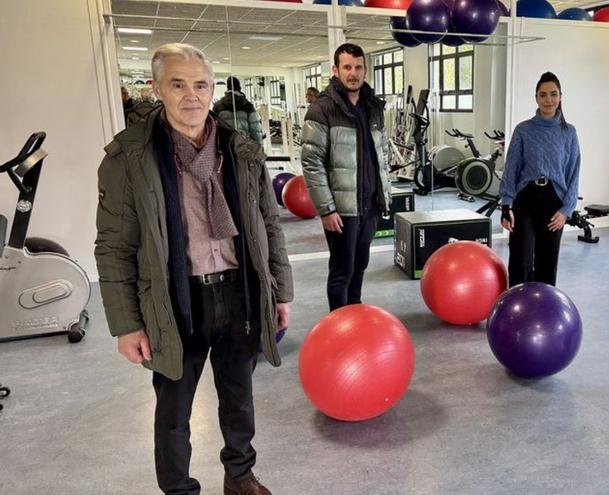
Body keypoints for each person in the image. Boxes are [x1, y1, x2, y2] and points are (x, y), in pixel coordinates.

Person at [95, 43, 293, 494]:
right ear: (157, 88)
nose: (192, 96)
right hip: (174, 300)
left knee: (239, 399)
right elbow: (113, 246)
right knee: (174, 412)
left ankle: (240, 476)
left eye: (201, 85)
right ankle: (180, 490)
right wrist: (127, 325)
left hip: (239, 292)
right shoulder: (130, 158)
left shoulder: (240, 150)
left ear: (212, 89)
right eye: (178, 84)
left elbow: (268, 224)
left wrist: (280, 291)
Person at [300, 43, 391, 311]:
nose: (353, 73)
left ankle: (355, 316)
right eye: (347, 67)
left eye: (358, 67)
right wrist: (326, 209)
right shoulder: (322, 109)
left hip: (370, 205)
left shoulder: (373, 107)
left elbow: (382, 153)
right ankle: (339, 324)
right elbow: (312, 162)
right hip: (342, 210)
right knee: (342, 271)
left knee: (360, 266)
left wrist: (385, 196)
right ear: (335, 70)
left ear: (365, 70)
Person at [499, 72, 580, 287]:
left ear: (560, 97)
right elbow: (511, 169)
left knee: (547, 261)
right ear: (536, 98)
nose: (548, 100)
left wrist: (566, 209)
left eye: (553, 94)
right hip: (525, 199)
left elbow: (573, 173)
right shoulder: (523, 130)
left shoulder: (569, 132)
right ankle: (517, 304)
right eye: (543, 95)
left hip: (554, 202)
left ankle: (545, 307)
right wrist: (506, 205)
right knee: (521, 259)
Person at [213, 76, 263, 143]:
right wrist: (259, 146)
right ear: (239, 87)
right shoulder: (247, 105)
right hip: (243, 144)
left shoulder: (218, 106)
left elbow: (213, 129)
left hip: (225, 144)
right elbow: (255, 130)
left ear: (227, 88)